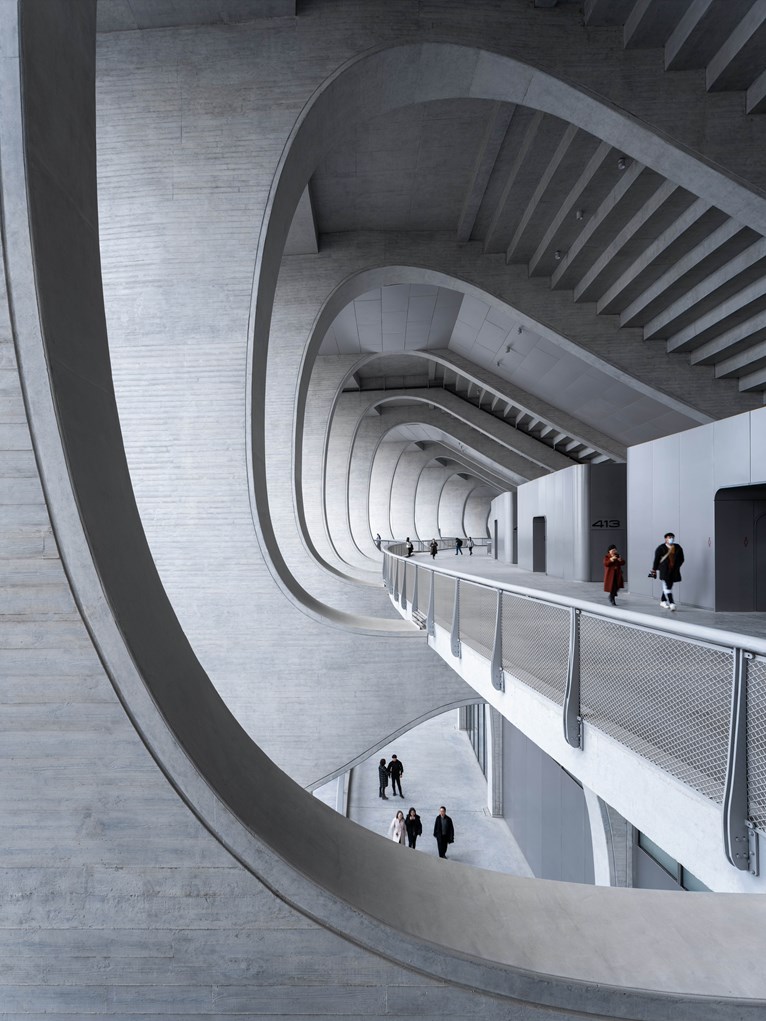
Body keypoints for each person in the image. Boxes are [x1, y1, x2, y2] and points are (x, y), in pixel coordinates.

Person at [650, 532, 684, 611]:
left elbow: (682, 559)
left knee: (669, 585)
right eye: (669, 537)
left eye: (672, 537)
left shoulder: (677, 547)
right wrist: (654, 569)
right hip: (664, 570)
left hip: (674, 570)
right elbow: (656, 560)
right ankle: (672, 603)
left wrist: (676, 566)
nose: (671, 539)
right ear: (665, 538)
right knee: (667, 586)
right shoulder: (661, 548)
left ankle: (663, 601)